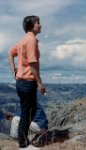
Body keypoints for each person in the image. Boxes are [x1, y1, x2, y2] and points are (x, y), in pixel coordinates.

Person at [8, 15, 46, 149]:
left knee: (28, 111)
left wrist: (14, 70)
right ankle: (23, 145)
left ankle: (23, 141)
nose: (40, 25)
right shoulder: (31, 40)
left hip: (21, 82)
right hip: (28, 82)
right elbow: (33, 64)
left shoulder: (23, 40)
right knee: (27, 114)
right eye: (38, 23)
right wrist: (40, 83)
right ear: (31, 26)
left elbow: (10, 53)